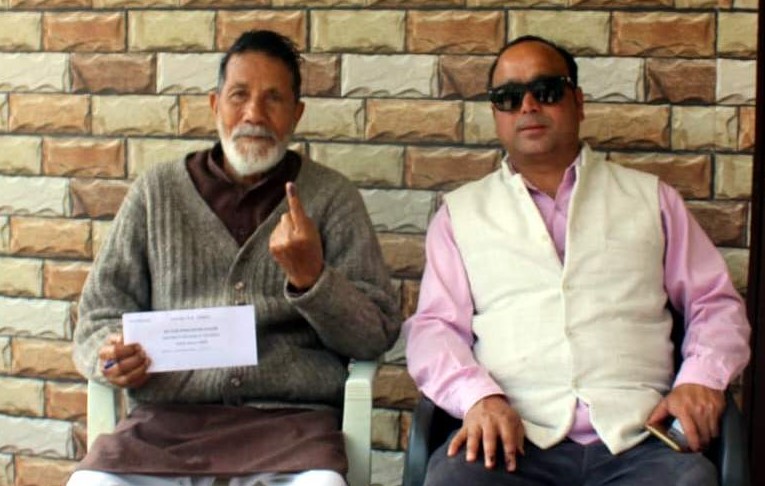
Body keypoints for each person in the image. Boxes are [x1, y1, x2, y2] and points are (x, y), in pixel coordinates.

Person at [404, 35, 751, 486]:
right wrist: (477, 398)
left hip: (640, 441)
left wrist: (701, 380)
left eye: (546, 90)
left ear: (578, 102)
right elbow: (434, 330)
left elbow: (714, 303)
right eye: (508, 97)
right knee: (451, 480)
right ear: (496, 114)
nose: (528, 106)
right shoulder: (460, 215)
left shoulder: (651, 199)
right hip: (513, 443)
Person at [68, 30, 401, 486]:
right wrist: (110, 357)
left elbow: (374, 335)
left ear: (297, 113)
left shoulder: (331, 198)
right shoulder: (155, 193)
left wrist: (312, 279)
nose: (254, 114)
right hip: (164, 430)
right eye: (239, 95)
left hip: (291, 431)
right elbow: (97, 317)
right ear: (214, 104)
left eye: (273, 99)